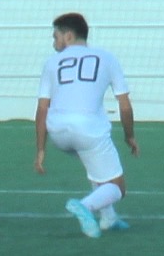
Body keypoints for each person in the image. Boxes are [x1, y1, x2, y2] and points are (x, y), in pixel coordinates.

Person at [33, 12, 138, 239]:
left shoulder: (51, 63)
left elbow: (42, 109)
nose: (54, 42)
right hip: (87, 130)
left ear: (68, 36)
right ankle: (85, 206)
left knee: (95, 166)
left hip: (58, 131)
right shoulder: (107, 58)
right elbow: (124, 105)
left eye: (55, 37)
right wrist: (129, 136)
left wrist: (41, 149)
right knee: (118, 187)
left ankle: (109, 219)